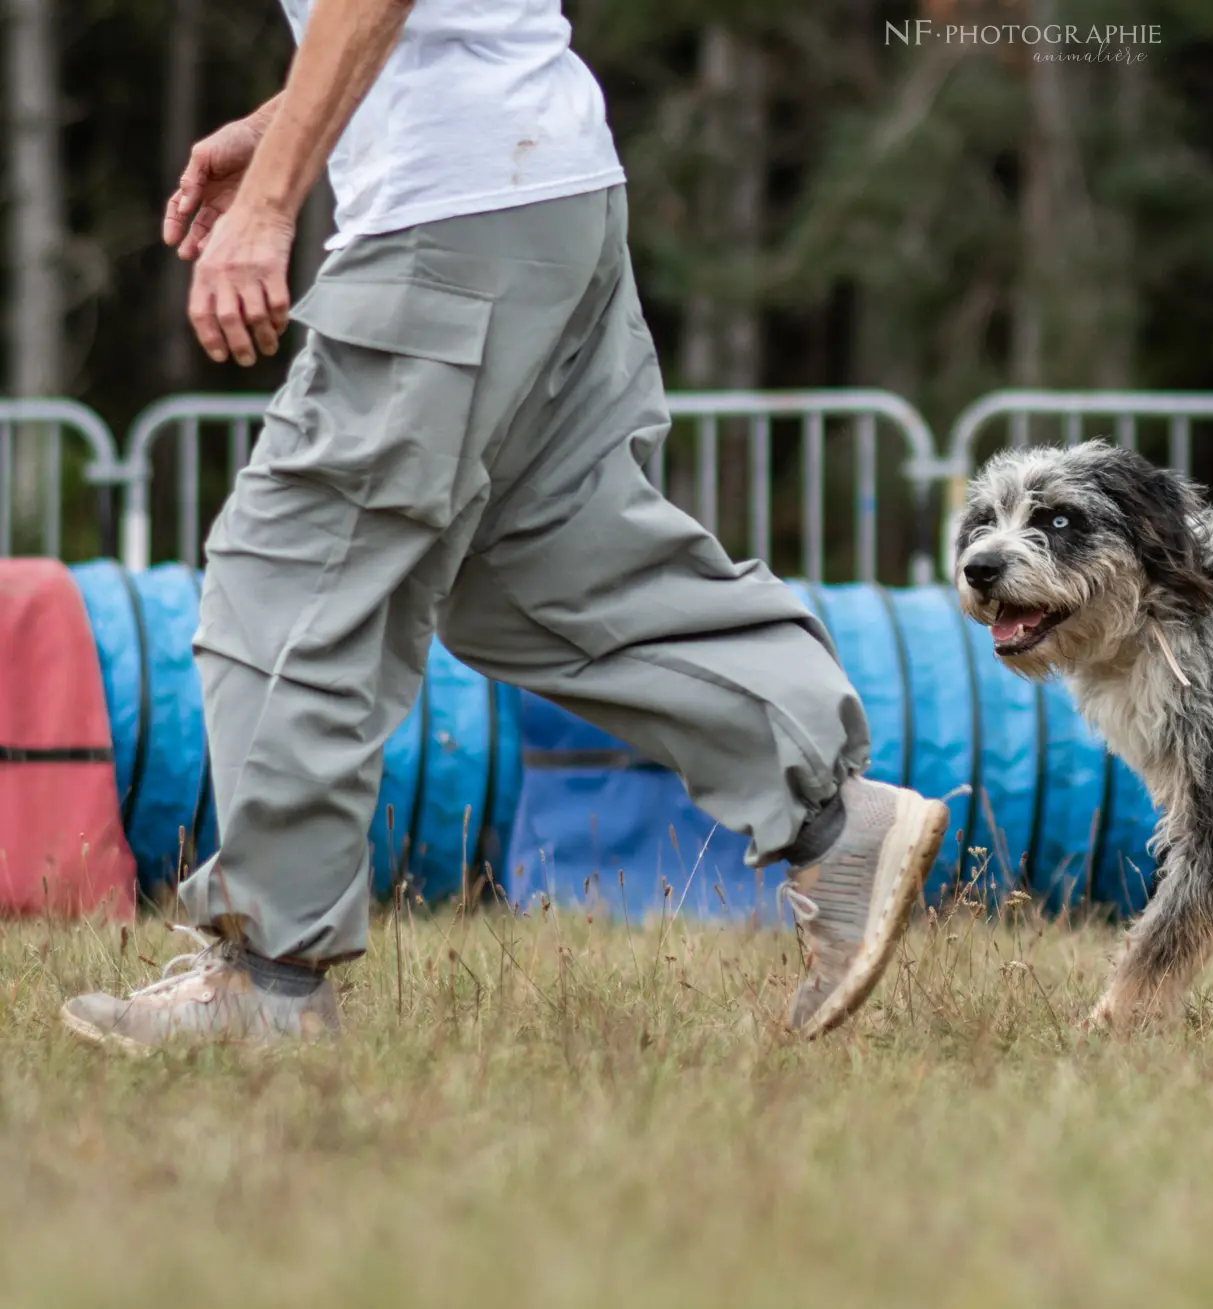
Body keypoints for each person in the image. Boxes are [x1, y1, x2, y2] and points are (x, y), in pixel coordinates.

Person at [60, 0, 949, 1050]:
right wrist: (285, 119)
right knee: (548, 570)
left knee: (286, 577)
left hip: (448, 217)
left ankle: (269, 976)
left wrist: (270, 200)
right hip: (543, 186)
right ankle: (830, 821)